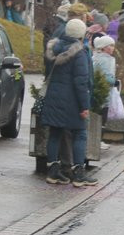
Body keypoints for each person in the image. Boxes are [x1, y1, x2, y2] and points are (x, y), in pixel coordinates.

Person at [41, 19, 96, 188]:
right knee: (80, 133)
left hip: (53, 97)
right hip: (71, 101)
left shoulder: (54, 49)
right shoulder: (79, 53)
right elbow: (81, 82)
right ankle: (79, 174)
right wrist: (84, 106)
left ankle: (53, 171)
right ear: (80, 34)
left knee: (55, 133)